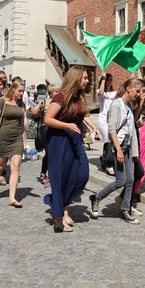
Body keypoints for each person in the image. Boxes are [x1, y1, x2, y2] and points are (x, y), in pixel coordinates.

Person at [43, 66, 90, 233]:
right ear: (76, 78)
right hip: (59, 140)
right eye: (84, 78)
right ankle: (58, 217)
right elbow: (48, 119)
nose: (87, 80)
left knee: (82, 175)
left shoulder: (79, 97)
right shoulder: (61, 97)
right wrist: (67, 125)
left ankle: (64, 206)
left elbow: (77, 119)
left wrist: (87, 129)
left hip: (75, 140)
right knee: (60, 178)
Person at [90, 78, 143, 224]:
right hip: (119, 146)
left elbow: (130, 128)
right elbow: (112, 128)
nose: (138, 94)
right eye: (137, 91)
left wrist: (135, 152)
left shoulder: (128, 106)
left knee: (131, 179)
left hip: (129, 147)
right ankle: (97, 197)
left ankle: (126, 209)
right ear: (129, 89)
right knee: (121, 181)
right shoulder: (116, 104)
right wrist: (118, 150)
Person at [0, 80, 27, 207]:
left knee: (15, 167)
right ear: (13, 90)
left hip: (16, 139)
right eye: (20, 91)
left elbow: (22, 125)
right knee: (0, 167)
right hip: (3, 138)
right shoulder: (3, 102)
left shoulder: (22, 104)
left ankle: (12, 197)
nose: (21, 93)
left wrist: (24, 141)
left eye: (23, 91)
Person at [97, 73, 117, 175]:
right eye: (107, 80)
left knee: (114, 141)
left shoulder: (114, 93)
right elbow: (100, 92)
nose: (109, 82)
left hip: (113, 121)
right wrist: (103, 79)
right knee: (108, 139)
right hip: (103, 120)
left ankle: (105, 158)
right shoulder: (102, 93)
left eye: (110, 80)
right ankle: (109, 164)